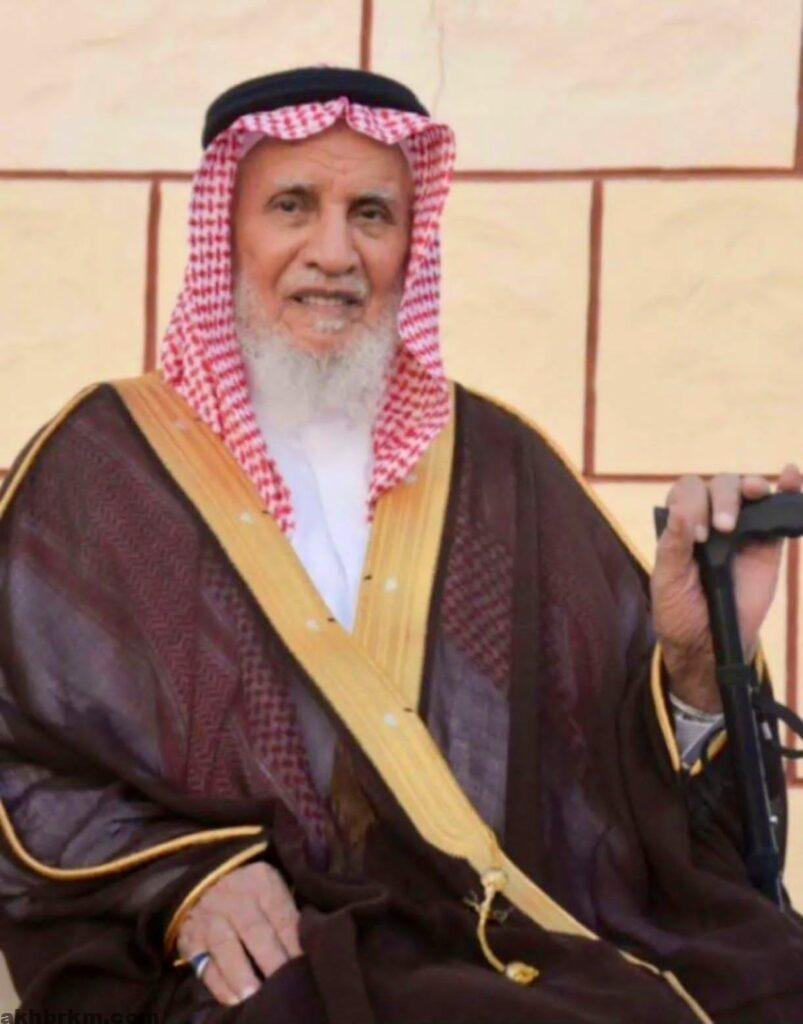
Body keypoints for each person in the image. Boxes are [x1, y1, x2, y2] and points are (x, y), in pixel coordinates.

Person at [0, 66, 801, 1024]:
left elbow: (622, 794)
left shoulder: (501, 464)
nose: (333, 253)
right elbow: (22, 757)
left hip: (542, 946)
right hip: (273, 963)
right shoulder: (102, 468)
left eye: (371, 215)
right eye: (292, 206)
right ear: (226, 230)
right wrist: (181, 882)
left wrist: (698, 661)